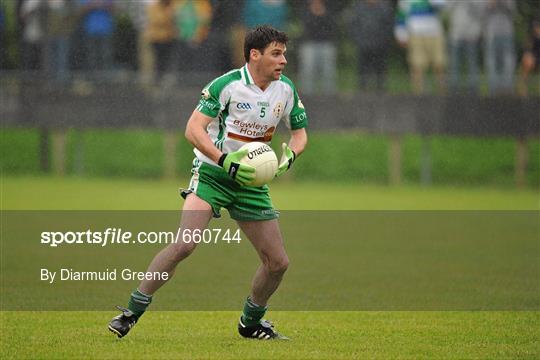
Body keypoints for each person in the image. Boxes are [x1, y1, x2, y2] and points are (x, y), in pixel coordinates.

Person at [108, 25, 308, 340]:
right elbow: (193, 129)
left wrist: (289, 158)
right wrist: (223, 160)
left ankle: (251, 322)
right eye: (276, 53)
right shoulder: (226, 86)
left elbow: (299, 135)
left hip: (250, 183)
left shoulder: (285, 89)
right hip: (213, 174)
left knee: (278, 263)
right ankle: (131, 311)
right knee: (185, 243)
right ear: (254, 55)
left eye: (284, 53)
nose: (283, 60)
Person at [394, 0, 447, 94]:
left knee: (439, 64)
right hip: (415, 33)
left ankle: (442, 93)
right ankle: (418, 94)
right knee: (417, 65)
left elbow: (442, 7)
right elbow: (401, 15)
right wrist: (401, 34)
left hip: (434, 32)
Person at [347, 0, 394, 92]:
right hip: (363, 44)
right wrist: (358, 39)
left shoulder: (384, 8)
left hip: (380, 44)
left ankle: (381, 90)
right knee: (362, 68)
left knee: (380, 67)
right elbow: (353, 24)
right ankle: (362, 90)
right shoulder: (358, 7)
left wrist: (384, 40)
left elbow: (389, 25)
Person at [298, 0, 339, 95]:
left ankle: (329, 95)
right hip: (308, 44)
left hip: (327, 43)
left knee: (328, 71)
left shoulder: (329, 10)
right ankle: (307, 94)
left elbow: (333, 27)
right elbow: (305, 26)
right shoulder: (305, 11)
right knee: (308, 70)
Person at [446, 0, 485, 95]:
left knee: (472, 63)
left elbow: (481, 10)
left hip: (472, 33)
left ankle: (473, 89)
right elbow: (447, 8)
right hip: (456, 33)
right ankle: (454, 89)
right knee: (454, 63)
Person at [483, 0, 516, 95]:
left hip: (507, 32)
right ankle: (493, 89)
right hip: (491, 32)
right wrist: (490, 4)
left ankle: (508, 88)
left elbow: (512, 9)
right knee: (492, 61)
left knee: (508, 61)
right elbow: (482, 12)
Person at [518, 13, 540, 96]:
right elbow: (527, 50)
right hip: (534, 58)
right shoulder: (531, 37)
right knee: (527, 60)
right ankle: (523, 89)